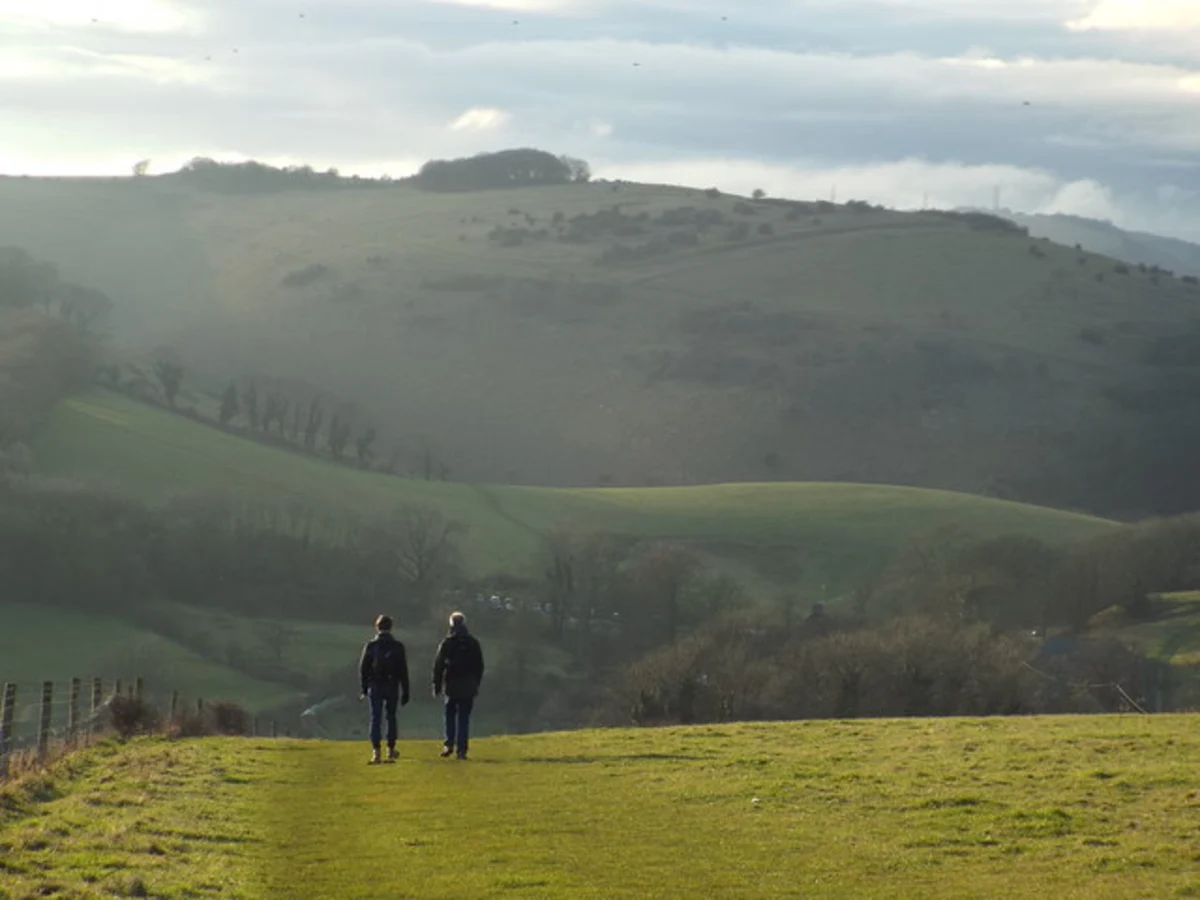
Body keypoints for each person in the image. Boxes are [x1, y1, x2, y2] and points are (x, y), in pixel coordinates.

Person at [432, 611, 484, 760]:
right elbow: (479, 666)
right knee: (463, 718)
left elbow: (439, 665)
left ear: (451, 624)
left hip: (451, 684)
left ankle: (449, 744)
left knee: (449, 715)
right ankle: (462, 750)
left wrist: (436, 684)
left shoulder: (447, 643)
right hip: (468, 684)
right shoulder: (473, 643)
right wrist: (476, 684)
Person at [359, 614, 410, 765]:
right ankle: (391, 748)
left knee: (375, 718)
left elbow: (363, 669)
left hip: (375, 685)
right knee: (391, 716)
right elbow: (403, 670)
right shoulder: (398, 646)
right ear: (391, 627)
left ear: (377, 627)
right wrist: (406, 690)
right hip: (392, 684)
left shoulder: (371, 646)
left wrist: (364, 688)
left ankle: (376, 752)